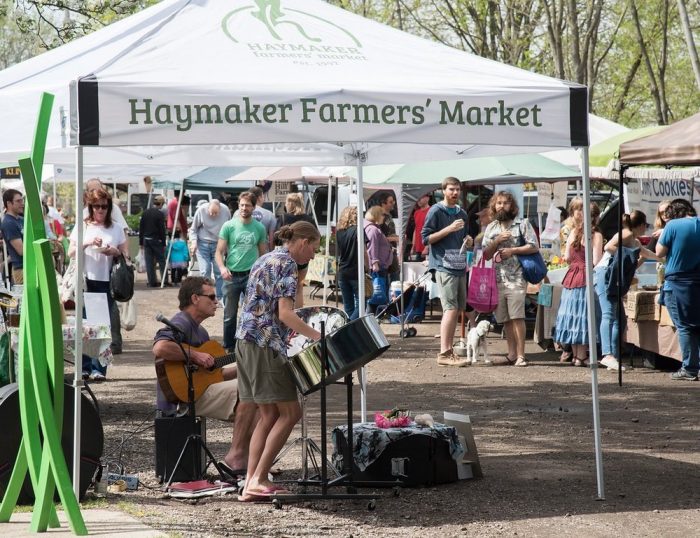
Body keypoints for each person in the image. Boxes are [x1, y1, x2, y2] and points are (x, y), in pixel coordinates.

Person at [235, 221, 322, 501]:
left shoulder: (265, 257)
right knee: (290, 413)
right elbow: (284, 314)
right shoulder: (286, 264)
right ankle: (259, 478)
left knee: (269, 414)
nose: (312, 256)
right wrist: (317, 336)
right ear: (304, 242)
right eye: (314, 249)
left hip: (246, 341)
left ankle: (250, 482)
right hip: (265, 343)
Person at [152, 276, 257, 477]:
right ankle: (236, 458)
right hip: (182, 398)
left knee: (261, 398)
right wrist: (196, 355)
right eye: (211, 297)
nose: (216, 302)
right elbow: (160, 347)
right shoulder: (180, 322)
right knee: (250, 391)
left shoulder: (201, 332)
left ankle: (252, 463)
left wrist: (247, 365)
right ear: (195, 298)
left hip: (201, 391)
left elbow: (215, 375)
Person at [68, 188, 128, 374]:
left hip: (107, 281)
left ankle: (99, 368)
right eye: (97, 206)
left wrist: (114, 251)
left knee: (103, 326)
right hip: (85, 280)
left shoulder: (116, 228)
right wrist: (86, 243)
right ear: (90, 207)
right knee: (85, 325)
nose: (100, 210)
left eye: (104, 206)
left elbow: (126, 254)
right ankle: (85, 367)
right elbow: (70, 253)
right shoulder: (83, 227)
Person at [482, 190, 539, 367]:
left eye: (506, 203)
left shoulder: (522, 224)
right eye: (498, 203)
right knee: (505, 318)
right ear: (494, 205)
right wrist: (497, 240)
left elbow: (534, 247)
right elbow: (486, 255)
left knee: (517, 316)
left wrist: (513, 250)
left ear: (512, 206)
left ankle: (521, 355)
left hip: (517, 278)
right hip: (498, 279)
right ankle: (511, 353)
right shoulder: (491, 228)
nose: (502, 206)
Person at [595, 209, 656, 371]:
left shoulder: (633, 240)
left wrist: (660, 258)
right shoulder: (627, 234)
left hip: (611, 276)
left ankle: (613, 357)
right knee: (608, 314)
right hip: (605, 274)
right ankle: (607, 354)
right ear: (641, 225)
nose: (646, 229)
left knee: (619, 320)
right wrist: (630, 254)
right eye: (646, 225)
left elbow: (644, 253)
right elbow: (609, 247)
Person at [421, 177, 472, 367]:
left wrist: (469, 241)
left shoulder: (462, 213)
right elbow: (426, 239)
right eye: (451, 189)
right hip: (443, 265)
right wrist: (448, 229)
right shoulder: (436, 211)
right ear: (443, 191)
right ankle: (444, 352)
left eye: (457, 189)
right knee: (450, 308)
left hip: (459, 264)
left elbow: (465, 236)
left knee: (458, 308)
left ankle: (450, 351)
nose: (455, 193)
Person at [553, 199, 603, 367]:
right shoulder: (596, 235)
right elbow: (596, 260)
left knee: (572, 315)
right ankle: (581, 356)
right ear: (595, 218)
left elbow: (566, 257)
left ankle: (575, 356)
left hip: (571, 275)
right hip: (585, 275)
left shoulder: (573, 232)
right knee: (583, 316)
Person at [216, 191, 267, 352]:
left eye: (248, 205)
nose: (244, 208)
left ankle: (249, 345)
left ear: (254, 207)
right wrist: (222, 268)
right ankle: (229, 347)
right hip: (231, 275)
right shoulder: (229, 226)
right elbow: (219, 252)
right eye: (242, 205)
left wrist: (261, 274)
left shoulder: (259, 227)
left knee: (253, 312)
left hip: (250, 276)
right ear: (238, 205)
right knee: (229, 315)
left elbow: (263, 254)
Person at [655, 198, 700, 381]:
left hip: (678, 282)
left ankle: (689, 368)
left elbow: (659, 252)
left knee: (684, 327)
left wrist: (664, 233)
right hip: (697, 279)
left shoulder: (672, 226)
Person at [276, 193, 317, 306]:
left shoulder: (284, 217)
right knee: (299, 286)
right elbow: (316, 237)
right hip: (303, 257)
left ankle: (287, 310)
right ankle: (298, 312)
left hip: (286, 256)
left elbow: (276, 238)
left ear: (290, 203)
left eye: (286, 203)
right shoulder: (309, 219)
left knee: (283, 287)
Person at [191, 199, 230, 302]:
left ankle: (220, 297)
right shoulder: (201, 210)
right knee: (205, 270)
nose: (213, 215)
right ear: (207, 208)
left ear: (220, 210)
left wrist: (227, 245)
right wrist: (194, 242)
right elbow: (193, 229)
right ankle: (207, 296)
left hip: (218, 244)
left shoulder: (226, 211)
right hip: (202, 244)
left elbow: (229, 229)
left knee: (219, 271)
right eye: (211, 212)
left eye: (216, 213)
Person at [364, 206, 393, 315]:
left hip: (379, 265)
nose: (383, 217)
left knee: (376, 292)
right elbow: (372, 247)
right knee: (377, 293)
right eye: (382, 215)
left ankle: (374, 315)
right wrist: (375, 262)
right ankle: (373, 315)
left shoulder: (371, 227)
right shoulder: (373, 229)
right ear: (377, 215)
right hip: (378, 266)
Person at [139, 195, 170, 288]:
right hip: (156, 240)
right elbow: (162, 230)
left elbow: (141, 228)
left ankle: (152, 282)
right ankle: (164, 280)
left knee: (149, 262)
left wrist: (140, 242)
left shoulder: (145, 213)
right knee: (161, 261)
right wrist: (164, 243)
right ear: (160, 204)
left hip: (146, 240)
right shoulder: (160, 214)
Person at [336, 206, 361, 320]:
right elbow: (364, 252)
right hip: (356, 271)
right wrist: (367, 266)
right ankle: (349, 324)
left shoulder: (339, 232)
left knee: (348, 305)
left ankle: (348, 327)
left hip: (342, 271)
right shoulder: (358, 230)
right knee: (362, 303)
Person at [236, 186, 276, 251]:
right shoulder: (269, 214)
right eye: (263, 196)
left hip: (242, 252)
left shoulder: (237, 213)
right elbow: (271, 239)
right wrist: (271, 253)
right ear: (259, 198)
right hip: (263, 254)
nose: (264, 199)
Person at [1, 189, 24, 285]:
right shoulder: (8, 223)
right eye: (18, 201)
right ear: (9, 203)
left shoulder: (21, 219)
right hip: (22, 269)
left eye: (22, 200)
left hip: (29, 266)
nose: (22, 203)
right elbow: (22, 251)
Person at [410, 194, 431, 261]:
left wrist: (427, 247)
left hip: (429, 249)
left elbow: (433, 230)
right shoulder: (416, 212)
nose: (418, 200)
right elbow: (416, 230)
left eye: (420, 198)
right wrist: (413, 246)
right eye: (417, 198)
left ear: (427, 198)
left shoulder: (432, 211)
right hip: (418, 249)